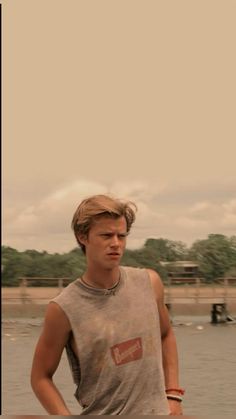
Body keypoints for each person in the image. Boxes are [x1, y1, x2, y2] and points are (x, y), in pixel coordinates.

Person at [31, 194, 184, 415]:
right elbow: (40, 377)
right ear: (83, 236)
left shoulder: (150, 283)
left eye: (121, 236)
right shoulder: (63, 308)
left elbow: (166, 334)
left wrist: (173, 396)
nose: (115, 244)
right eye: (106, 235)